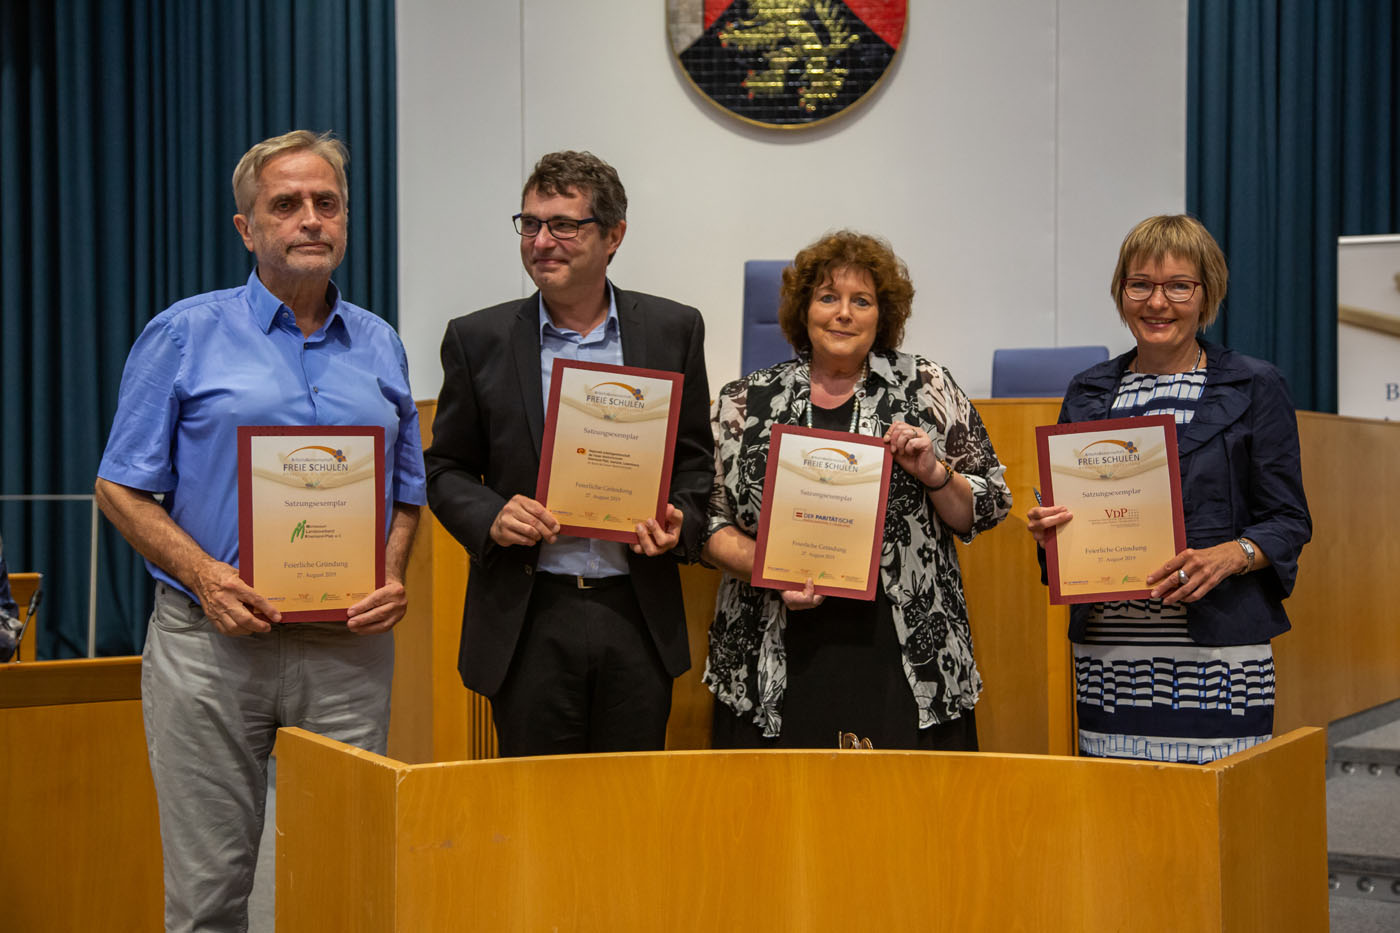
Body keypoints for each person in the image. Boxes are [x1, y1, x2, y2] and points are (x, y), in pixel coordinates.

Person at [95, 130, 425, 931]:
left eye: (327, 203)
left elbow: (407, 490)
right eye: (286, 204)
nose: (310, 219)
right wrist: (207, 577)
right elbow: (119, 486)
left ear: (345, 219)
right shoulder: (184, 332)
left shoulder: (380, 342)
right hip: (210, 644)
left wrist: (390, 572)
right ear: (247, 227)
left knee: (345, 881)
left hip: (346, 647)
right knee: (210, 892)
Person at [425, 150, 712, 757]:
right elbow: (445, 468)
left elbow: (694, 462)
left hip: (635, 611)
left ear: (613, 236)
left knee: (631, 812)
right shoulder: (477, 339)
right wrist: (491, 516)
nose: (541, 241)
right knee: (534, 819)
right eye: (529, 224)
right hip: (530, 616)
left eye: (563, 225)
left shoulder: (672, 330)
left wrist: (681, 519)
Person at [703, 230, 1011, 749]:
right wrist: (770, 569)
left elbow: (988, 504)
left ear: (881, 315)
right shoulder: (744, 401)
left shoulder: (927, 387)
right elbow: (708, 523)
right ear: (804, 310)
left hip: (903, 653)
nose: (843, 313)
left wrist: (935, 473)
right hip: (773, 647)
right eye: (828, 298)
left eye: (861, 301)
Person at [1026, 214, 1312, 763]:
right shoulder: (1087, 391)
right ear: (1122, 292)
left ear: (1207, 294)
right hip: (1110, 655)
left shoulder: (1254, 385)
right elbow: (1069, 513)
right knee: (1118, 822)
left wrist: (1231, 555)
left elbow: (1288, 520)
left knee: (1214, 825)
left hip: (1218, 657)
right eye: (1141, 285)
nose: (1157, 303)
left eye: (1179, 286)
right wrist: (1051, 533)